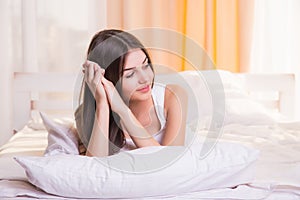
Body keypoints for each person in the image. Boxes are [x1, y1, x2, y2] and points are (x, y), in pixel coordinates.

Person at [75, 29, 188, 157]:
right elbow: (94, 167)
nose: (145, 78)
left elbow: (169, 160)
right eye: (130, 74)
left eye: (146, 65)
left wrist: (122, 110)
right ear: (109, 79)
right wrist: (103, 104)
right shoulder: (85, 113)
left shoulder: (174, 96)